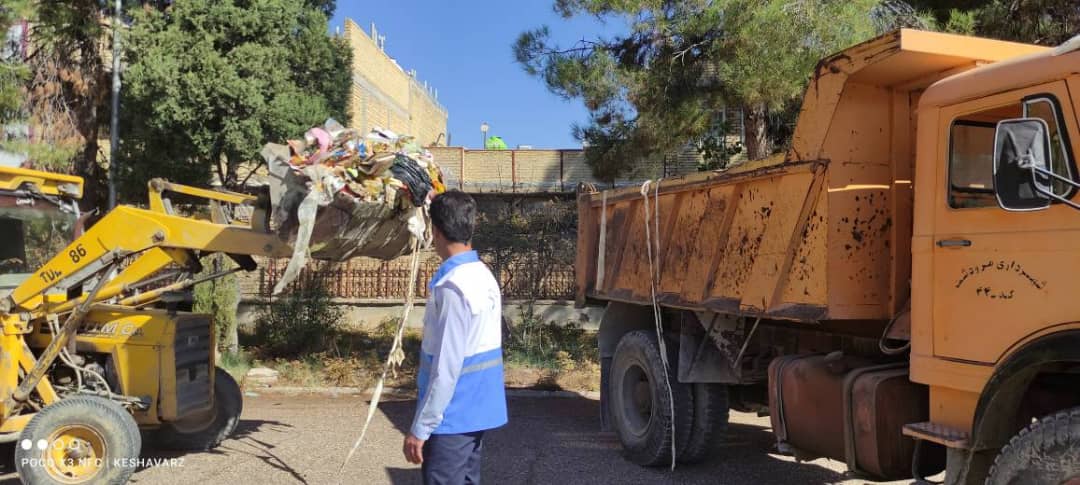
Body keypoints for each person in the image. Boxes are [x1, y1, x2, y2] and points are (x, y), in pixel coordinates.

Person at [403, 190, 507, 484]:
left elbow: (446, 370)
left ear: (435, 231)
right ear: (470, 227)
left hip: (453, 415)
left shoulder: (453, 287)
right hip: (478, 410)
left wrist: (420, 429)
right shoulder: (482, 275)